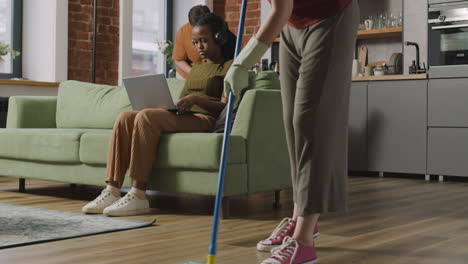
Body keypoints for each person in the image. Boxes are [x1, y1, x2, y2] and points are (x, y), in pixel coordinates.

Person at [223, 0, 360, 263]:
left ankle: (304, 241)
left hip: (330, 16)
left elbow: (280, 8)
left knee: (310, 123)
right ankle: (300, 216)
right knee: (292, 123)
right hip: (291, 26)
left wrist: (243, 62)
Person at [82, 13, 236, 217]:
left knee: (146, 117)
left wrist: (196, 100)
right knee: (125, 117)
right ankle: (112, 189)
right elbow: (184, 98)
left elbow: (224, 107)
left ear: (219, 38)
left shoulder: (230, 67)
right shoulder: (197, 66)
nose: (199, 46)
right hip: (185, 115)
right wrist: (172, 104)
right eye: (195, 41)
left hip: (205, 119)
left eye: (204, 40)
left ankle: (138, 194)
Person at [172, 5, 211, 79]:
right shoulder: (183, 32)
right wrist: (194, 73)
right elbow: (178, 60)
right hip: (187, 74)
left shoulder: (218, 29)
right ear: (191, 24)